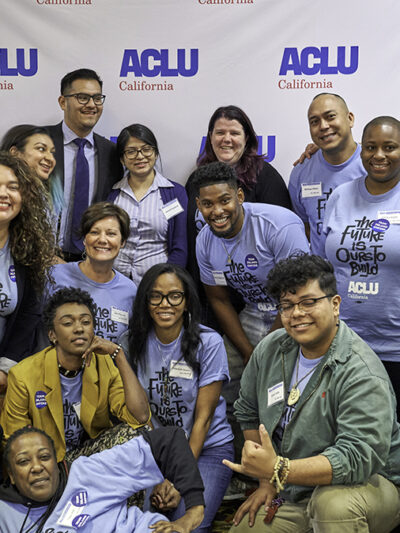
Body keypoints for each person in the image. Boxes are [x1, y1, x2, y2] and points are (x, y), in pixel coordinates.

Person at [225, 254, 400, 532]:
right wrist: (267, 482)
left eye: (308, 302)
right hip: (295, 490)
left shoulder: (361, 370)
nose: (296, 314)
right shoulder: (270, 349)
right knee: (246, 528)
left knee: (333, 506)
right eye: (287, 306)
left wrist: (279, 469)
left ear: (335, 304)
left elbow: (357, 457)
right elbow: (247, 411)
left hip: (368, 486)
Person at [193, 161, 309, 463]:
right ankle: (238, 464)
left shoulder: (278, 226)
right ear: (198, 206)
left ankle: (288, 467)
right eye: (207, 204)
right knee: (224, 380)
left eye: (224, 200)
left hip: (295, 315)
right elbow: (218, 298)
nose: (217, 211)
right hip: (251, 314)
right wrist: (247, 351)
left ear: (239, 197)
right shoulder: (205, 241)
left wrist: (264, 352)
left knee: (283, 389)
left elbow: (297, 294)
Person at [120, 263, 234, 532]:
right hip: (156, 450)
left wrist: (176, 478)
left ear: (186, 302)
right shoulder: (131, 342)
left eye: (174, 296)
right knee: (144, 520)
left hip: (207, 448)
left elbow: (204, 420)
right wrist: (157, 470)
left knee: (190, 525)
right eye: (155, 296)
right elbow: (138, 414)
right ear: (146, 301)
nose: (165, 304)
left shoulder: (209, 342)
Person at [0, 287, 150, 462]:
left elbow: (140, 417)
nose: (79, 328)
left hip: (87, 458)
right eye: (68, 323)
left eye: (85, 322)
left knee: (139, 435)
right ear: (52, 335)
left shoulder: (103, 363)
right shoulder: (23, 374)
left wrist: (119, 355)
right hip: (47, 464)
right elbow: (14, 441)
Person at [315, 116, 400, 420]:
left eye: (390, 147)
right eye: (371, 147)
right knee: (347, 436)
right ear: (361, 150)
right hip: (344, 343)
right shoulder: (340, 195)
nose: (379, 155)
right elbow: (321, 268)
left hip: (395, 347)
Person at [186, 105, 292, 325]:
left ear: (247, 139)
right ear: (210, 137)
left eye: (234, 133)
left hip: (252, 300)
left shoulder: (266, 177)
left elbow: (281, 241)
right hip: (210, 293)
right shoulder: (198, 179)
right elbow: (190, 236)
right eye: (220, 133)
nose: (227, 139)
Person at [0, 425, 205, 532]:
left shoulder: (87, 471)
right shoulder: (5, 511)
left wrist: (194, 510)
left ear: (56, 461)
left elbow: (168, 441)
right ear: (11, 475)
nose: (37, 467)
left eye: (44, 457)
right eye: (23, 461)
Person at [46, 68, 122, 260]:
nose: (91, 105)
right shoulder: (40, 142)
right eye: (82, 97)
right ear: (63, 102)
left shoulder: (111, 152)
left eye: (97, 98)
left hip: (92, 260)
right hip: (43, 257)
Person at [0, 152, 55, 392]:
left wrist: (5, 370)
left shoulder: (26, 250)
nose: (4, 194)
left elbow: (27, 314)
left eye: (13, 187)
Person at [108, 123, 188, 285]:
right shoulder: (112, 194)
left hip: (159, 282)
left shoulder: (175, 193)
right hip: (115, 281)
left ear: (156, 153)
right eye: (131, 151)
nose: (140, 156)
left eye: (146, 149)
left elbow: (180, 247)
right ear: (122, 159)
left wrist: (166, 281)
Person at [47, 202, 136, 343]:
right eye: (94, 232)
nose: (102, 240)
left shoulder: (130, 291)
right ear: (84, 239)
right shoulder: (54, 275)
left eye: (111, 234)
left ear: (123, 241)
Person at [288, 93, 366, 253]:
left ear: (350, 118)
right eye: (314, 121)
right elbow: (305, 227)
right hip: (323, 274)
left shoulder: (375, 166)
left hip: (368, 271)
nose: (323, 126)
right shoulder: (300, 173)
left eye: (330, 116)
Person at [0, 124, 64, 217]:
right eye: (41, 149)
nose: (51, 158)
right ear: (15, 153)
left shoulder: (46, 196)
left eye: (52, 152)